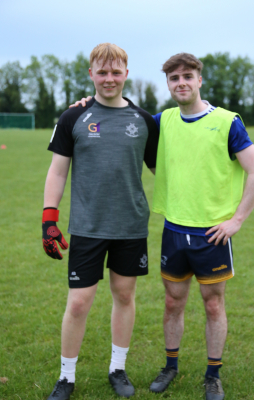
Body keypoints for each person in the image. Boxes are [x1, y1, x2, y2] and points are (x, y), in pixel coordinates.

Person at [73, 52, 254, 400]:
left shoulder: (227, 122)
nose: (181, 83)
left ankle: (213, 374)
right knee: (172, 303)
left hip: (212, 233)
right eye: (174, 78)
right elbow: (119, 108)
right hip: (174, 231)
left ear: (199, 80)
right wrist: (89, 100)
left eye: (187, 77)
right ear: (168, 84)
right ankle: (171, 366)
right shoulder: (161, 122)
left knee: (213, 304)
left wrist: (236, 220)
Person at [42, 43, 158, 400]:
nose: (109, 78)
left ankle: (118, 369)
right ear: (91, 74)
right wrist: (49, 218)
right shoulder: (72, 117)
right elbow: (58, 171)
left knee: (124, 295)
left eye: (116, 71)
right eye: (102, 72)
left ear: (126, 73)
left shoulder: (144, 120)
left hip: (130, 225)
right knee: (78, 303)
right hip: (88, 227)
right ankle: (66, 377)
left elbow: (162, 171)